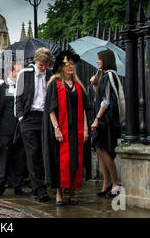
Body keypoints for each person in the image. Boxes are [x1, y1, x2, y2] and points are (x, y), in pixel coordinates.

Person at [43, 50, 90, 206]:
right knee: (59, 161)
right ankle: (59, 193)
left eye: (72, 64)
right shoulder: (54, 85)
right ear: (60, 67)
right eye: (67, 64)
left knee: (74, 161)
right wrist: (56, 128)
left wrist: (85, 128)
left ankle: (72, 192)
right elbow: (50, 109)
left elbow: (83, 108)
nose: (70, 66)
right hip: (61, 130)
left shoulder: (78, 86)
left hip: (75, 130)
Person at [15, 47, 53, 202]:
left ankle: (42, 185)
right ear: (36, 61)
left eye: (46, 64)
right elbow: (18, 96)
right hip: (29, 117)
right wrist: (21, 117)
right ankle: (39, 189)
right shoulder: (24, 73)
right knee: (33, 153)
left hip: (45, 117)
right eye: (41, 64)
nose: (43, 67)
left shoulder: (50, 74)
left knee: (44, 152)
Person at [0, 62, 30, 197]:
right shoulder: (0, 86)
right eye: (18, 71)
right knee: (3, 159)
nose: (21, 73)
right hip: (4, 129)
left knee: (20, 159)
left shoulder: (24, 86)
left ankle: (19, 186)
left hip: (20, 128)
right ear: (10, 72)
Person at [90, 49, 125, 198]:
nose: (97, 61)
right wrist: (95, 85)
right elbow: (101, 95)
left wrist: (97, 119)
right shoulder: (103, 76)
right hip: (102, 119)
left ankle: (115, 183)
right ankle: (106, 182)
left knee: (104, 149)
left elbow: (106, 101)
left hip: (106, 120)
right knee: (99, 148)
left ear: (105, 59)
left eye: (99, 59)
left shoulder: (110, 75)